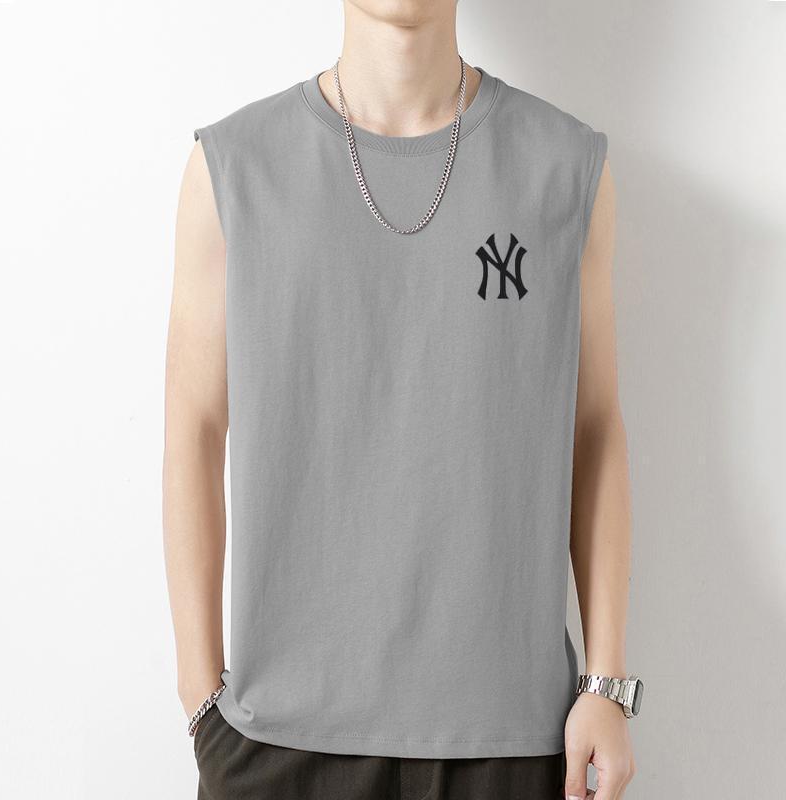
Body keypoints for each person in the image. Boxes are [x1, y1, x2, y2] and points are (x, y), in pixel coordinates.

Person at [163, 1, 640, 798]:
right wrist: (198, 696)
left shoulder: (563, 166)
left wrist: (606, 684)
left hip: (511, 740)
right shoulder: (233, 168)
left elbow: (593, 430)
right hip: (275, 742)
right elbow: (194, 427)